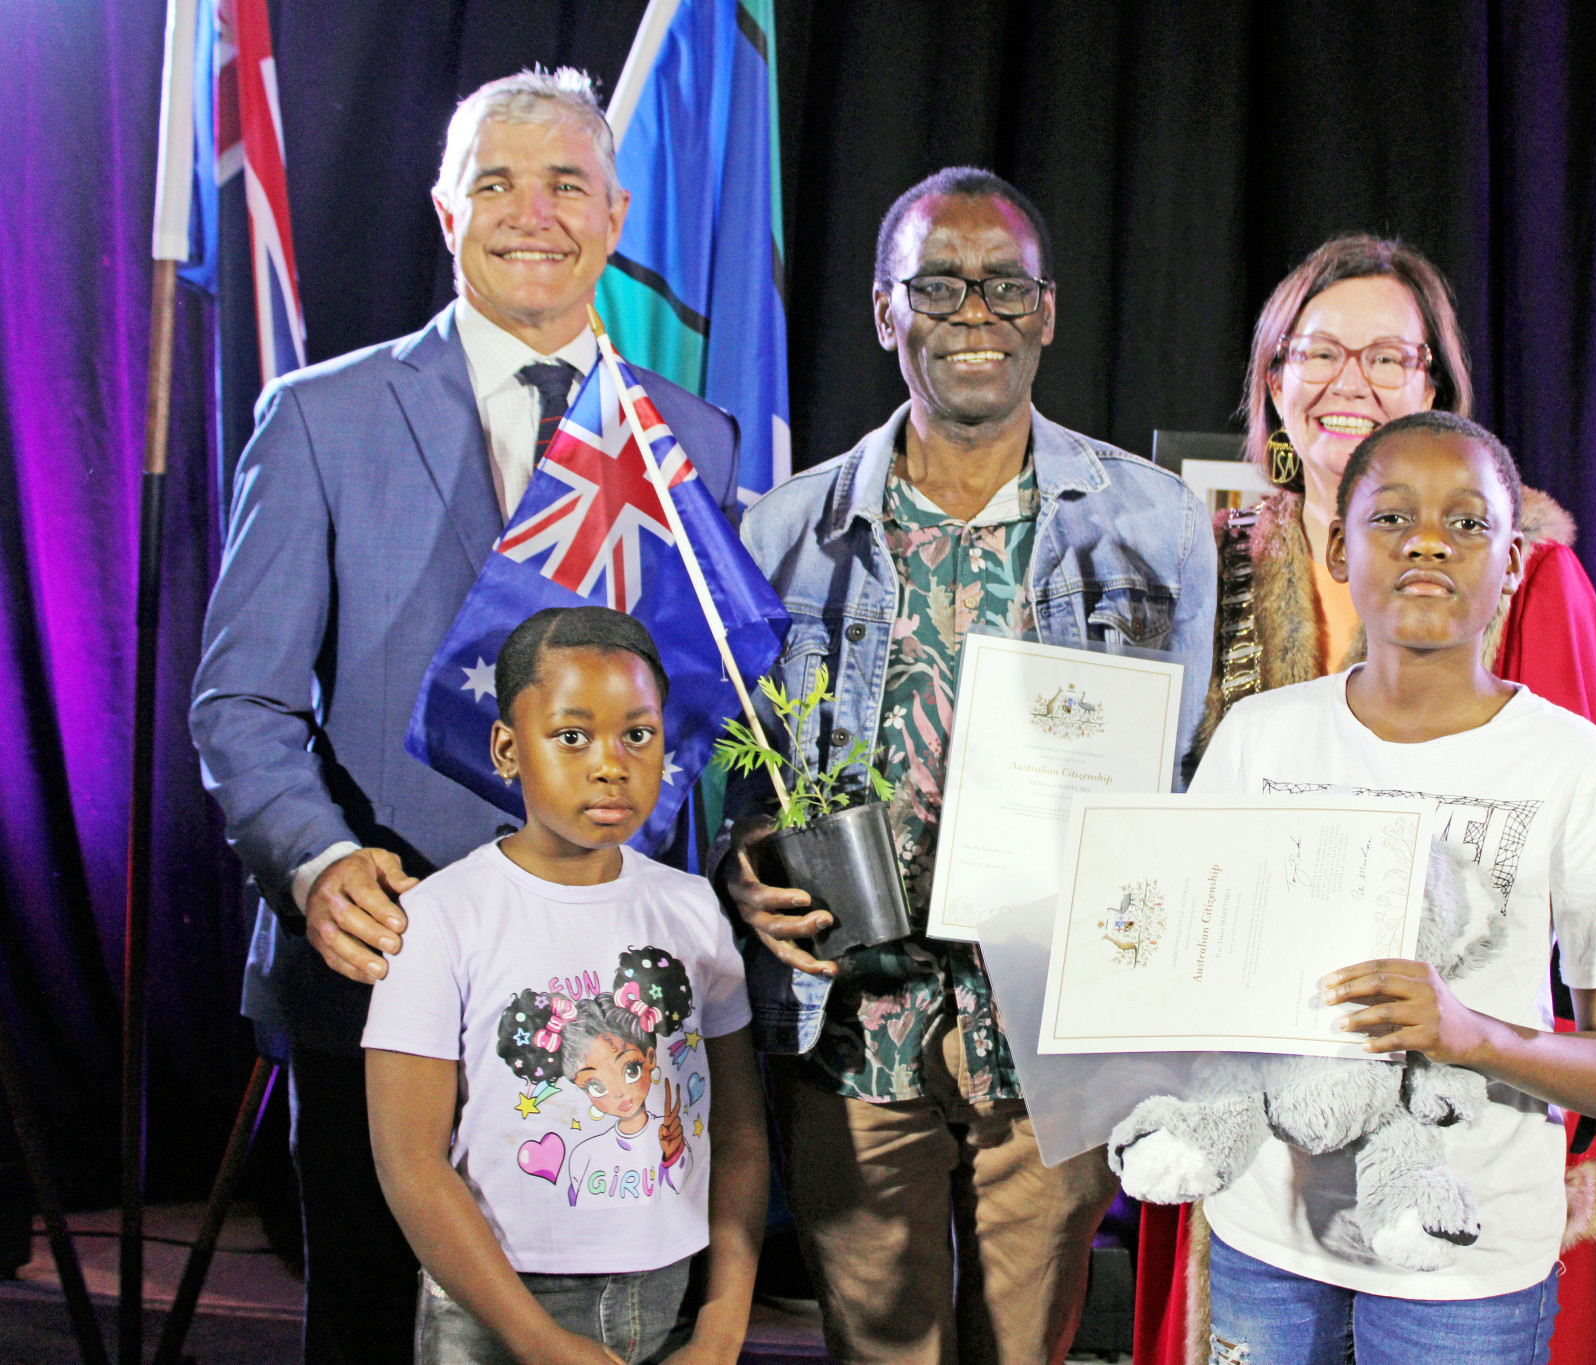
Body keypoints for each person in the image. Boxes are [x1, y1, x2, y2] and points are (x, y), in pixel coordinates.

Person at [188, 69, 742, 1364]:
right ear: (447, 213)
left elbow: (702, 723)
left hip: (608, 1006)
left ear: (615, 215)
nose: (529, 212)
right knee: (380, 1336)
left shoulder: (691, 441)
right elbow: (242, 701)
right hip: (388, 974)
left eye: (564, 185)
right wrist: (318, 862)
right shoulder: (319, 418)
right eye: (494, 181)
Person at [1133, 235, 1596, 1365]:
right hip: (1265, 1163)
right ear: (1271, 380)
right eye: (1317, 352)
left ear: (1431, 382)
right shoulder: (1201, 561)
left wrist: (1492, 1049)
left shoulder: (1524, 575)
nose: (1348, 382)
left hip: (1461, 1162)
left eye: (1386, 356)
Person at [717, 167, 1217, 1365]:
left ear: (1046, 312)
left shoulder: (1155, 525)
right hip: (852, 1026)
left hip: (1049, 1024)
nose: (972, 313)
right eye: (936, 285)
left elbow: (1186, 773)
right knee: (878, 1342)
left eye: (1003, 287)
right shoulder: (779, 534)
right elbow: (743, 783)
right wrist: (744, 870)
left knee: (1025, 1347)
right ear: (886, 313)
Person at [1189, 411, 1596, 1363]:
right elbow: (1192, 968)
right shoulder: (1261, 737)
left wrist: (1472, 1034)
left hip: (1465, 1260)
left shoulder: (1575, 767)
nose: (1427, 541)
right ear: (1338, 544)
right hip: (1266, 1238)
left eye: (1467, 522)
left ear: (1515, 560)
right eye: (1391, 517)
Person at [365, 607, 765, 1365]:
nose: (609, 762)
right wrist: (537, 1340)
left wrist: (720, 1327)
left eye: (637, 734)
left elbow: (740, 1132)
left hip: (670, 1294)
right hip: (499, 1307)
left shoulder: (690, 909)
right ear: (508, 749)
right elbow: (408, 1161)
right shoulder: (441, 917)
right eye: (572, 735)